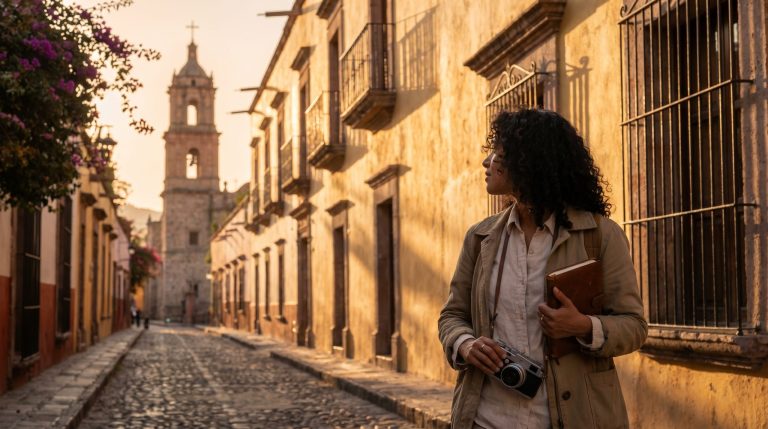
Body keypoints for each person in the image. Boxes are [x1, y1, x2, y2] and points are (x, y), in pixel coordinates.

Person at [438, 108, 647, 429]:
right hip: (485, 418)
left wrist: (582, 326)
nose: (486, 161)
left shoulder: (600, 235)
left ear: (528, 161)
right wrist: (465, 343)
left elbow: (634, 326)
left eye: (498, 152)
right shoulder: (480, 238)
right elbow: (452, 316)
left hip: (571, 417)